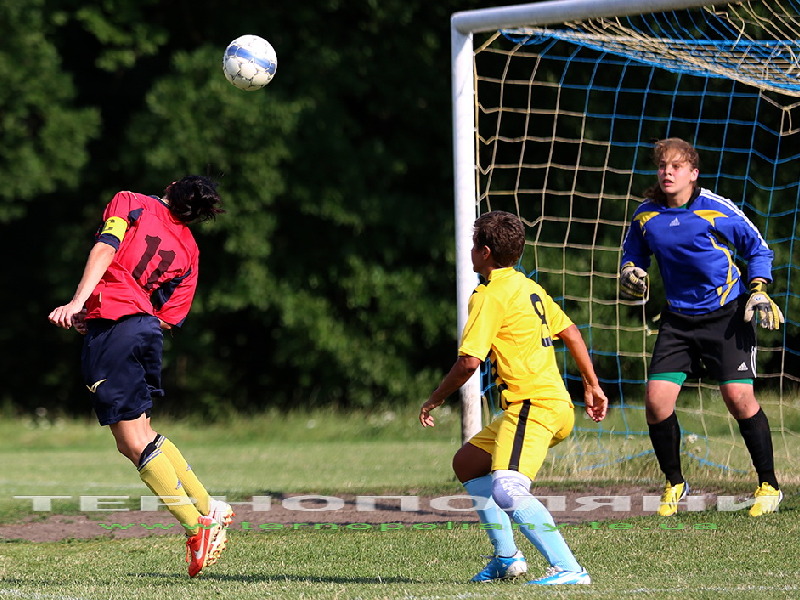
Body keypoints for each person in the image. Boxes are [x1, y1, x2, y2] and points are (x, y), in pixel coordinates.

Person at [48, 176, 233, 577]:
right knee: (143, 434)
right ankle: (209, 507)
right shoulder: (190, 250)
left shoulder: (130, 201)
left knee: (131, 442)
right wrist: (98, 314)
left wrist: (79, 302)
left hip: (116, 330)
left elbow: (105, 247)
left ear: (171, 186)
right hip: (144, 330)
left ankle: (196, 527)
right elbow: (168, 317)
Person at [419, 210, 608, 586]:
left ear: (484, 252)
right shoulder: (528, 287)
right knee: (467, 463)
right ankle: (507, 559)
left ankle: (568, 568)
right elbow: (571, 331)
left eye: (474, 245)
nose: (470, 251)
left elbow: (469, 362)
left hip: (532, 406)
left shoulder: (490, 295)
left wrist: (435, 398)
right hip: (550, 405)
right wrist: (591, 384)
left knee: (507, 489)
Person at [620, 137, 784, 518]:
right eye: (663, 166)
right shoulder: (645, 216)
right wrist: (630, 269)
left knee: (738, 398)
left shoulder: (716, 208)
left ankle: (769, 486)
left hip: (727, 315)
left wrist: (759, 290)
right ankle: (675, 483)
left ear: (693, 173)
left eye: (676, 166)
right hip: (678, 319)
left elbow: (758, 248)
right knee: (656, 402)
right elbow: (633, 251)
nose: (667, 172)